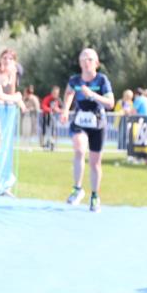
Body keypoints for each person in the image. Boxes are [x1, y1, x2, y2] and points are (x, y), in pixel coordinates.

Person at [60, 48, 115, 213]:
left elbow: (110, 103)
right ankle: (77, 189)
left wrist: (92, 95)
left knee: (95, 162)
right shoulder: (75, 80)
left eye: (90, 59)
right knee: (79, 149)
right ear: (80, 63)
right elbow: (69, 93)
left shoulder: (102, 80)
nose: (86, 62)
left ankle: (95, 195)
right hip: (80, 121)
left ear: (96, 63)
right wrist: (65, 110)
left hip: (98, 123)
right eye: (83, 58)